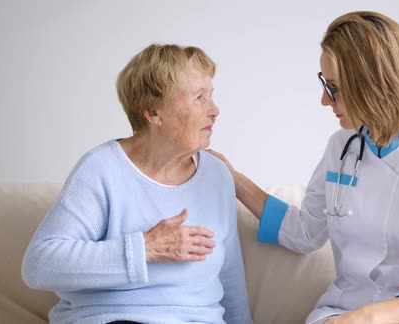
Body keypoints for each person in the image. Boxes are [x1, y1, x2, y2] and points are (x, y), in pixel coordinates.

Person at [207, 11, 399, 324]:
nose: (324, 101)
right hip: (343, 310)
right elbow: (304, 232)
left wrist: (365, 319)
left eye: (334, 87)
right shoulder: (341, 148)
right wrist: (234, 179)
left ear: (373, 84)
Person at [22, 44, 253, 324]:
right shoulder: (102, 168)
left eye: (211, 96)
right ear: (153, 112)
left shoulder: (217, 176)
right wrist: (144, 249)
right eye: (199, 98)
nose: (214, 111)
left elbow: (230, 278)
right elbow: (39, 264)